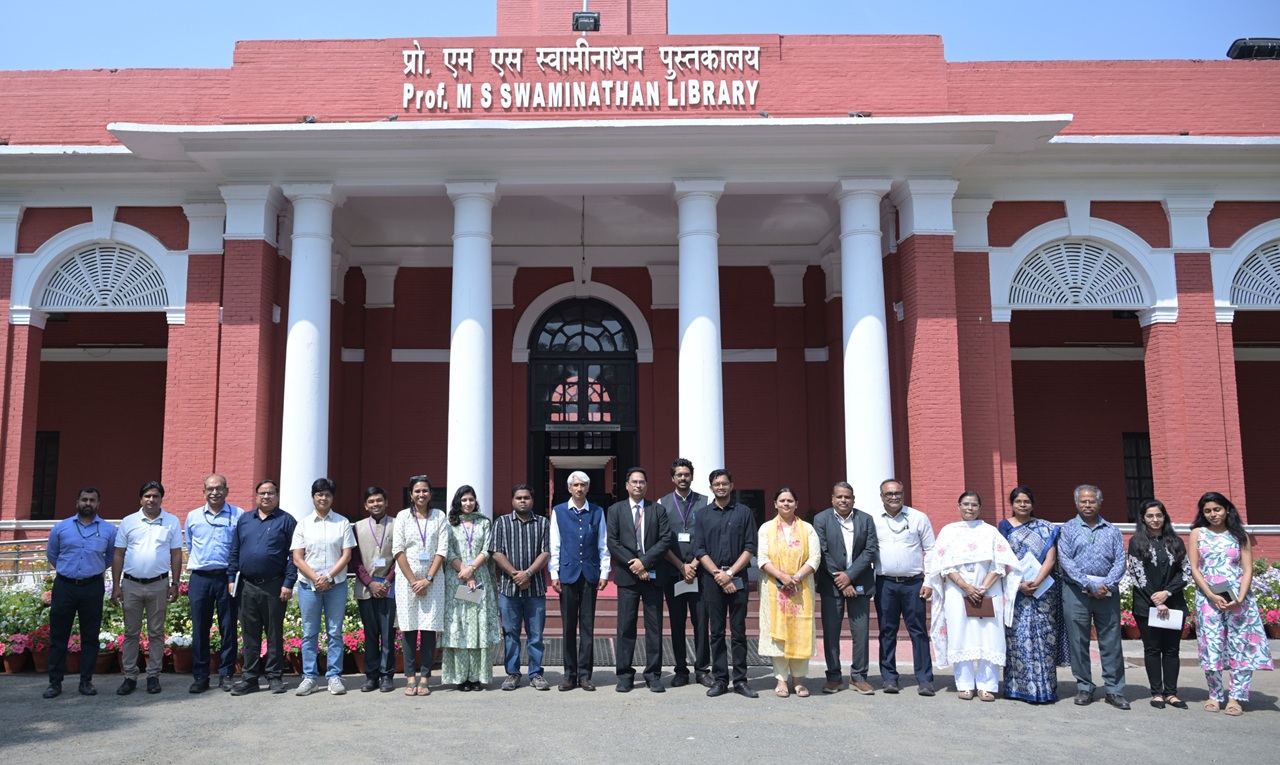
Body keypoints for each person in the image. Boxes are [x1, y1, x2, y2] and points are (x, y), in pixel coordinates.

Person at [925, 491, 1022, 701]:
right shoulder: (949, 532)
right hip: (957, 591)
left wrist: (983, 588)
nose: (970, 508)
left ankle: (987, 685)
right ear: (958, 506)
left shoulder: (990, 532)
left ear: (980, 508)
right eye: (966, 504)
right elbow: (943, 564)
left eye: (974, 505)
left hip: (988, 591)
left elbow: (1001, 562)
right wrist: (966, 587)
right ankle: (965, 684)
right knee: (961, 635)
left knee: (989, 636)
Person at [1188, 491, 1274, 716]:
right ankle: (1215, 694)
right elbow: (1195, 568)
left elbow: (1247, 569)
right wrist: (1210, 594)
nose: (1213, 514)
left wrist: (1240, 598)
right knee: (1212, 645)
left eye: (1217, 509)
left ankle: (1236, 696)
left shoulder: (1239, 535)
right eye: (1207, 511)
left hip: (1239, 599)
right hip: (1209, 599)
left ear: (1227, 509)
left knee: (1240, 645)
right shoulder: (1198, 533)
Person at [1057, 484, 1129, 709]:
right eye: (1083, 501)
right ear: (1076, 503)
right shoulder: (1067, 529)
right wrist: (1088, 584)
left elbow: (1120, 560)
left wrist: (1105, 584)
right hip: (1076, 591)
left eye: (1092, 501)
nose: (1087, 505)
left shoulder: (1112, 530)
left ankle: (1114, 690)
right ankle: (1085, 686)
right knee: (1078, 641)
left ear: (1100, 503)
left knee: (1111, 641)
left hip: (1106, 593)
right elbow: (1065, 560)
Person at [43, 487, 118, 698]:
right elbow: (53, 554)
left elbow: (111, 556)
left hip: (92, 587)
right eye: (84, 499)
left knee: (90, 636)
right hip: (65, 586)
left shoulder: (108, 530)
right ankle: (54, 683)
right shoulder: (61, 528)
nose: (88, 503)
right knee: (58, 636)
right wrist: (69, 571)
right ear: (77, 502)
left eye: (92, 500)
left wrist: (92, 571)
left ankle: (86, 681)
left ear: (98, 504)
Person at [997, 486, 1069, 704]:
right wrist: (1019, 585)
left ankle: (1045, 689)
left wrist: (1037, 582)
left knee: (1044, 637)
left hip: (1044, 591)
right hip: (1016, 591)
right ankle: (1017, 688)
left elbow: (1051, 558)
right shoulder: (1004, 527)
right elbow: (1002, 558)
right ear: (1012, 504)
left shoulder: (1046, 528)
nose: (1022, 505)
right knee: (1017, 640)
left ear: (1033, 504)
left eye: (1026, 501)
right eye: (1018, 501)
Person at [112, 480, 183, 696]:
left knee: (156, 633)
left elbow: (176, 554)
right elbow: (118, 554)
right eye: (147, 496)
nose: (151, 500)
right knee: (131, 633)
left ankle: (153, 675)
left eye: (155, 496)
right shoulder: (128, 521)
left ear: (162, 498)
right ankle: (130, 676)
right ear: (140, 499)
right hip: (131, 584)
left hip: (159, 585)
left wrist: (175, 583)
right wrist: (116, 585)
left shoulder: (171, 521)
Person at [228, 479, 298, 695]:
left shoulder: (286, 521)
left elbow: (293, 555)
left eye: (270, 493)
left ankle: (275, 676)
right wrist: (231, 578)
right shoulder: (245, 520)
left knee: (274, 633)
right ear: (256, 496)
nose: (266, 497)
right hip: (247, 586)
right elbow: (234, 550)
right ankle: (249, 678)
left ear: (277, 496)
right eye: (262, 493)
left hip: (274, 586)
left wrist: (288, 583)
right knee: (250, 634)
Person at [694, 469, 758, 698]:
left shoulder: (744, 513)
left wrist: (729, 573)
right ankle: (721, 679)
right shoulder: (702, 515)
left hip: (738, 577)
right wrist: (717, 574)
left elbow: (750, 547)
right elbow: (699, 549)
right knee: (717, 632)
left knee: (739, 632)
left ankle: (740, 679)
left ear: (731, 485)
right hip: (711, 580)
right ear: (711, 487)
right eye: (716, 484)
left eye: (724, 483)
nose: (720, 487)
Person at [607, 467, 671, 692]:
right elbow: (612, 542)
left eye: (642, 482)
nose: (638, 485)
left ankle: (653, 674)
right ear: (626, 485)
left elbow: (664, 540)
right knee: (625, 627)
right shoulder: (615, 510)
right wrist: (635, 565)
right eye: (634, 482)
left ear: (646, 485)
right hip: (628, 578)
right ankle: (625, 674)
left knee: (654, 628)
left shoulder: (657, 510)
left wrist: (645, 562)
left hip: (653, 576)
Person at [290, 477, 356, 697]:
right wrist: (316, 578)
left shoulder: (342, 523)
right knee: (310, 632)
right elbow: (298, 558)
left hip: (335, 585)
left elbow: (346, 555)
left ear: (332, 498)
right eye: (320, 494)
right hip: (309, 586)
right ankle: (309, 677)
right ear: (313, 497)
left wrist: (327, 577)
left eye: (327, 494)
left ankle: (334, 675)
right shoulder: (303, 524)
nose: (324, 498)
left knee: (335, 631)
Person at [871, 478, 936, 696]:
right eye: (888, 494)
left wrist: (929, 581)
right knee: (886, 630)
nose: (893, 497)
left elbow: (931, 550)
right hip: (885, 583)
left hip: (914, 583)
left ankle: (925, 679)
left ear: (903, 494)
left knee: (918, 631)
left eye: (897, 493)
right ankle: (889, 677)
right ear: (881, 497)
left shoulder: (918, 518)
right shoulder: (874, 521)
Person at [812, 481, 878, 695]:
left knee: (861, 632)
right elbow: (821, 551)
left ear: (853, 499)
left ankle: (859, 677)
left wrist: (850, 576)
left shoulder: (865, 519)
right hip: (832, 585)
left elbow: (870, 550)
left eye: (847, 497)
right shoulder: (821, 519)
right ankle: (834, 676)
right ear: (832, 499)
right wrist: (841, 580)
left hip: (860, 582)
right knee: (831, 632)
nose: (843, 500)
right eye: (839, 497)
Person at [183, 473, 244, 693]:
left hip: (227, 578)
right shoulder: (193, 517)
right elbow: (190, 545)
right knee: (200, 628)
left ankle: (226, 673)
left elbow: (240, 547)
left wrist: (233, 574)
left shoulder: (238, 515)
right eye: (210, 489)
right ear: (204, 492)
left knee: (228, 627)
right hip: (200, 577)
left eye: (219, 488)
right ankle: (201, 676)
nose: (214, 493)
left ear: (227, 491)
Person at [549, 470, 609, 691]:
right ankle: (569, 674)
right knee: (568, 627)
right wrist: (554, 574)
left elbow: (603, 545)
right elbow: (555, 545)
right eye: (575, 485)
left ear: (588, 488)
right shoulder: (559, 512)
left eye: (583, 485)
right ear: (569, 488)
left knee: (587, 627)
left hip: (590, 575)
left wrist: (604, 573)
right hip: (567, 574)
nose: (579, 488)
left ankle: (585, 675)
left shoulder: (597, 512)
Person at [1126, 499, 1189, 709]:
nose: (1155, 520)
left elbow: (1185, 572)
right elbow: (1137, 574)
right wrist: (1156, 598)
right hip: (1147, 605)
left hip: (1174, 603)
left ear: (1165, 517)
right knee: (1152, 649)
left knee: (1172, 650)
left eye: (1159, 515)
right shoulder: (1137, 542)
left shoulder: (1176, 542)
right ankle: (1157, 693)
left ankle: (1171, 692)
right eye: (1150, 516)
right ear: (1143, 518)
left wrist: (1167, 593)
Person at [757, 487, 819, 698]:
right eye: (782, 500)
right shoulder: (766, 529)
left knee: (800, 632)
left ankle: (799, 680)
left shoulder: (807, 529)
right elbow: (762, 558)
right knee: (780, 634)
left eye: (790, 500)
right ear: (775, 504)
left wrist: (796, 577)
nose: (786, 504)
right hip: (775, 589)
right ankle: (781, 680)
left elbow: (814, 558)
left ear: (796, 504)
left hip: (800, 588)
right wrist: (783, 578)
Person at [490, 484, 552, 691]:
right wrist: (515, 574)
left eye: (526, 497)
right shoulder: (501, 523)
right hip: (509, 590)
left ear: (532, 500)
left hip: (535, 589)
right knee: (511, 634)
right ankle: (513, 673)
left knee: (536, 635)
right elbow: (496, 552)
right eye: (518, 497)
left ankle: (535, 673)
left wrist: (528, 573)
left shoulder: (543, 523)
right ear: (512, 500)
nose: (522, 500)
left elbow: (546, 552)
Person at [657, 457, 712, 688]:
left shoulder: (705, 502)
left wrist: (694, 565)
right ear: (672, 478)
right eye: (678, 475)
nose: (683, 478)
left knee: (701, 622)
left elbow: (708, 539)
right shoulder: (662, 503)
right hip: (673, 572)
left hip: (700, 573)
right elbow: (662, 541)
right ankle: (681, 669)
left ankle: (702, 669)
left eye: (686, 474)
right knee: (677, 622)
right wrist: (681, 566)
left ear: (692, 476)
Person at [392, 474, 448, 696]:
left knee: (428, 630)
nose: (421, 494)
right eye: (417, 491)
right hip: (407, 581)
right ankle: (410, 677)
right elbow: (398, 549)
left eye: (425, 490)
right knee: (408, 629)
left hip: (433, 581)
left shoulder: (439, 516)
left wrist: (428, 579)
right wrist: (415, 581)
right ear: (411, 494)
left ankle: (425, 676)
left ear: (430, 493)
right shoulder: (403, 516)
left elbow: (442, 549)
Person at [440, 485, 500, 690]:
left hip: (479, 578)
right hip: (456, 578)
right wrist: (465, 571)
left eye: (471, 500)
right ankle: (460, 677)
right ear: (458, 501)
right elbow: (447, 550)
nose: (468, 503)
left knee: (476, 626)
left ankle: (476, 678)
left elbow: (488, 549)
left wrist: (472, 569)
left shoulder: (484, 523)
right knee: (459, 627)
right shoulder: (449, 524)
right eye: (464, 500)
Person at [348, 486, 398, 693]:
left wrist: (386, 581)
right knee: (370, 634)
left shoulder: (397, 524)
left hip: (389, 587)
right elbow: (354, 559)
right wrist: (370, 582)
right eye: (371, 501)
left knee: (388, 634)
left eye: (379, 500)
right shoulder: (357, 527)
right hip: (366, 588)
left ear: (386, 502)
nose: (376, 504)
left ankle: (387, 676)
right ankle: (371, 676)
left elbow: (400, 557)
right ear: (365, 505)